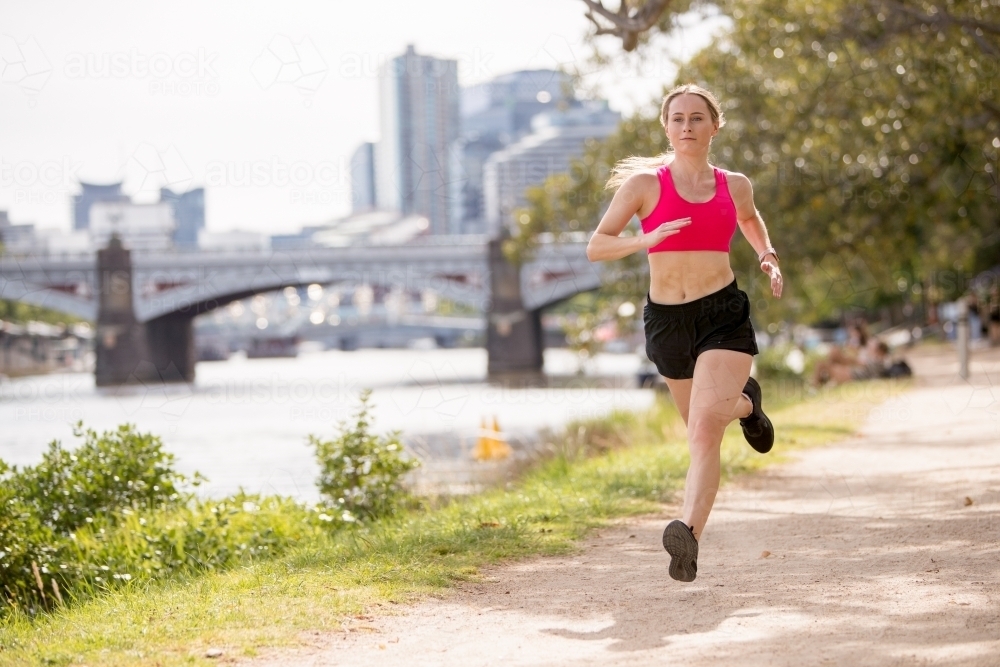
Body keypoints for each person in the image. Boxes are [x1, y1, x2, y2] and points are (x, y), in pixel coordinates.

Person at [586, 83, 782, 583]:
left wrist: (766, 253)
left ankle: (688, 535)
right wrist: (646, 238)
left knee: (702, 433)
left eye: (697, 118)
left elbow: (750, 219)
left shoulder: (734, 183)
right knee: (703, 424)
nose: (687, 127)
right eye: (677, 119)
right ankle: (747, 405)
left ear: (715, 126)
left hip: (721, 316)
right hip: (667, 322)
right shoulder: (645, 187)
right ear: (666, 127)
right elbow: (597, 246)